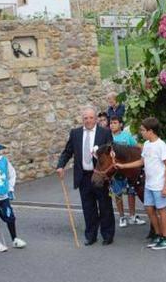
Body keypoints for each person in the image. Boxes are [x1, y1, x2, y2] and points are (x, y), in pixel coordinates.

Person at [57, 105, 115, 246]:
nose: (88, 120)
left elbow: (111, 151)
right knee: (88, 208)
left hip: (100, 175)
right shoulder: (75, 133)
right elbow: (68, 151)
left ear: (95, 119)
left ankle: (107, 235)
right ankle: (91, 235)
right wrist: (60, 165)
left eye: (90, 118)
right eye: (85, 118)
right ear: (82, 119)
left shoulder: (105, 133)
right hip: (83, 176)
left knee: (105, 206)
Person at [115, 117, 166, 250]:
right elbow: (142, 162)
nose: (141, 132)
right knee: (149, 209)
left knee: (162, 210)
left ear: (150, 131)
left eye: (142, 130)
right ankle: (158, 235)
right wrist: (124, 166)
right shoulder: (146, 144)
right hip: (149, 184)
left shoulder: (161, 145)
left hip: (159, 185)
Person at [108, 116, 146, 228]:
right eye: (111, 123)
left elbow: (136, 146)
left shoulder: (126, 136)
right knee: (118, 194)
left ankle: (132, 216)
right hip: (116, 172)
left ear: (120, 124)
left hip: (129, 170)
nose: (112, 125)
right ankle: (121, 217)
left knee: (131, 193)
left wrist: (147, 147)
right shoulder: (108, 137)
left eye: (115, 123)